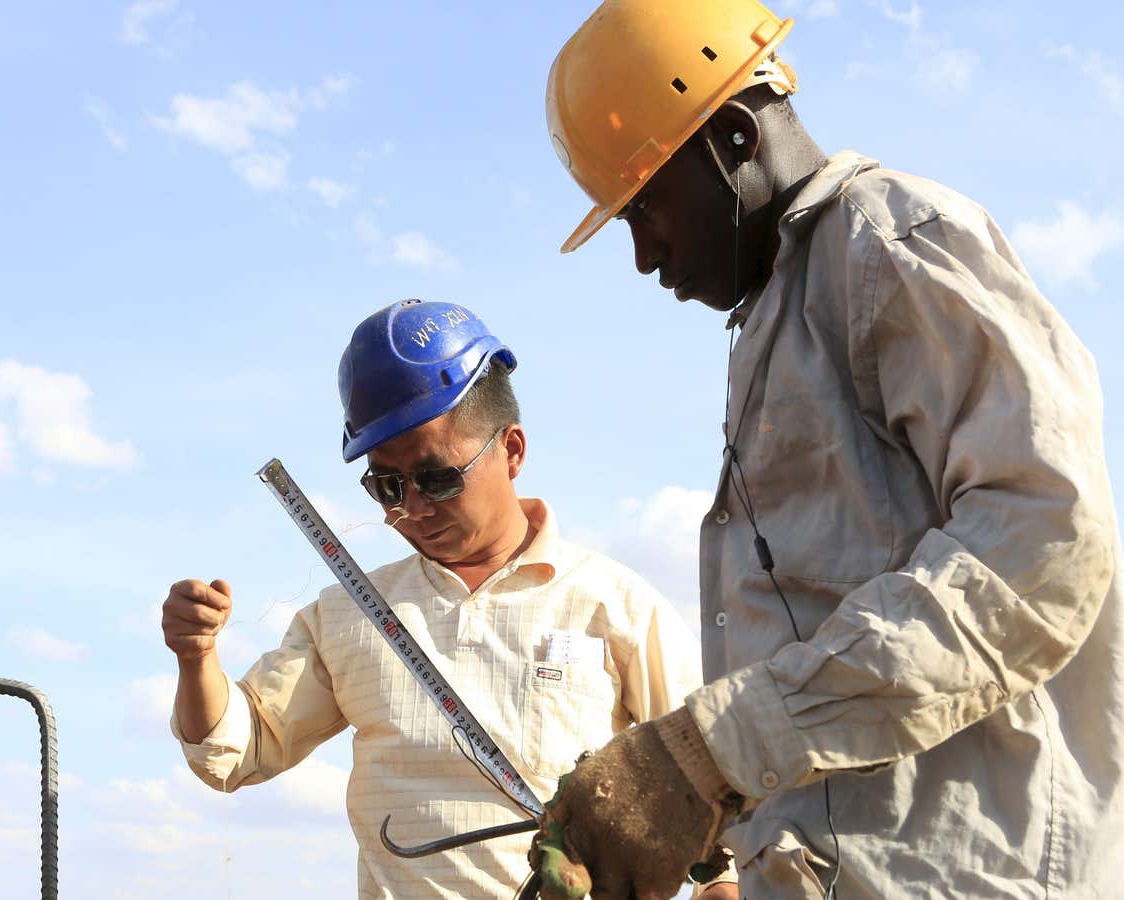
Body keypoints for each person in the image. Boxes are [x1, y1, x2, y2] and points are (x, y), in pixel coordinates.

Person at [525, 1, 1124, 898]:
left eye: (646, 208)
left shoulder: (892, 244)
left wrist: (716, 750)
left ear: (732, 136)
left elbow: (1042, 542)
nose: (645, 256)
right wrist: (712, 801)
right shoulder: (781, 314)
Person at [162, 299, 721, 898]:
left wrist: (722, 882)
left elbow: (715, 764)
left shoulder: (614, 605)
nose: (414, 508)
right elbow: (237, 750)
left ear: (512, 451)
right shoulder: (346, 613)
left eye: (437, 478)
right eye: (387, 485)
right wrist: (196, 657)